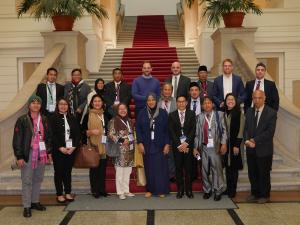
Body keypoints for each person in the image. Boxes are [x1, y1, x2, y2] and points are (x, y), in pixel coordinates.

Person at [12, 95, 52, 218]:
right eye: (33, 103)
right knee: (27, 180)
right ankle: (27, 206)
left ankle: (35, 202)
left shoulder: (44, 119)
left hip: (42, 153)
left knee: (38, 179)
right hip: (28, 153)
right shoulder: (22, 120)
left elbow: (48, 137)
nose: (36, 105)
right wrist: (19, 156)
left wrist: (49, 152)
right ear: (29, 105)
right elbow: (17, 139)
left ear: (41, 105)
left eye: (38, 103)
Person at [245, 90, 277, 204]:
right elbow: (246, 129)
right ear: (252, 99)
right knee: (252, 173)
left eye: (259, 98)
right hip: (251, 148)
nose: (257, 100)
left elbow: (270, 132)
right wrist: (247, 141)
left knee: (263, 173)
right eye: (255, 98)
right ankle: (255, 193)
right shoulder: (248, 111)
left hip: (264, 149)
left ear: (264, 98)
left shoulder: (271, 113)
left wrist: (255, 140)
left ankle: (265, 195)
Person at [193, 96, 227, 201]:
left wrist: (224, 144)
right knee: (204, 170)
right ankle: (207, 190)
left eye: (209, 103)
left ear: (212, 104)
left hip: (216, 147)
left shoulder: (219, 115)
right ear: (202, 106)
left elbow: (225, 130)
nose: (207, 105)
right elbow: (197, 134)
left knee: (216, 170)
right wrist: (195, 147)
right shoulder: (199, 117)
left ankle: (218, 190)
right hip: (204, 147)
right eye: (204, 103)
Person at [136, 93, 170, 198]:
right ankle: (150, 190)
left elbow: (167, 130)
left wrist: (167, 144)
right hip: (147, 145)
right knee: (149, 168)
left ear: (156, 101)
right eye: (149, 100)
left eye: (153, 100)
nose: (151, 102)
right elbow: (138, 129)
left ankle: (161, 190)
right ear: (146, 101)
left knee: (160, 168)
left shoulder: (163, 113)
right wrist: (140, 143)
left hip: (160, 144)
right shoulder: (141, 113)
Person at [50, 97, 81, 203]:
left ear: (68, 106)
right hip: (58, 150)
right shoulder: (52, 118)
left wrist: (74, 147)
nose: (63, 106)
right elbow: (52, 135)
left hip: (71, 150)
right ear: (57, 106)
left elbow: (77, 134)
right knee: (58, 172)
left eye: (65, 104)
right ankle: (59, 194)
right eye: (61, 104)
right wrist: (60, 147)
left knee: (68, 172)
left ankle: (67, 192)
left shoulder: (72, 118)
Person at [81, 94, 109, 198]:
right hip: (93, 146)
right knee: (94, 169)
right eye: (95, 101)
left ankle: (102, 189)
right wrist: (90, 132)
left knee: (102, 169)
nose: (97, 103)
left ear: (102, 103)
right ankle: (95, 190)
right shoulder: (88, 115)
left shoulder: (104, 115)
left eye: (99, 101)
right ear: (92, 103)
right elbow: (82, 131)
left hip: (104, 145)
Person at [169, 95, 196, 199]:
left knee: (189, 169)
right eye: (179, 102)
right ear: (176, 103)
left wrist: (186, 143)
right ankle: (180, 190)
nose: (181, 103)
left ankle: (189, 190)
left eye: (183, 101)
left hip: (188, 146)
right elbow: (171, 131)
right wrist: (180, 145)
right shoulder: (172, 115)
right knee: (178, 169)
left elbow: (193, 130)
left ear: (186, 103)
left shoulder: (192, 114)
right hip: (177, 147)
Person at [108, 103, 135, 200]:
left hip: (130, 150)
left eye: (124, 109)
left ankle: (126, 190)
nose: (123, 110)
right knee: (120, 172)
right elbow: (111, 134)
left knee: (128, 171)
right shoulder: (113, 121)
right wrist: (122, 140)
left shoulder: (129, 120)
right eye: (120, 109)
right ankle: (120, 192)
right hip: (119, 150)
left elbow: (131, 133)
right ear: (117, 110)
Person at [223, 93, 245, 198]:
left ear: (235, 101)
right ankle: (228, 188)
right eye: (228, 99)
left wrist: (237, 145)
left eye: (232, 99)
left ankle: (233, 190)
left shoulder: (239, 113)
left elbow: (241, 130)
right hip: (225, 145)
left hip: (235, 145)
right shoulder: (223, 113)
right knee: (227, 168)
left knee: (234, 168)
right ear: (225, 101)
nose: (230, 101)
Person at [157, 83, 177, 182]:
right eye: (165, 89)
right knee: (161, 154)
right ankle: (162, 174)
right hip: (160, 133)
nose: (167, 91)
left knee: (171, 154)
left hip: (173, 132)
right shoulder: (157, 102)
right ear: (162, 91)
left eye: (169, 90)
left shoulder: (176, 102)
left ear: (172, 91)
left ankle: (172, 175)